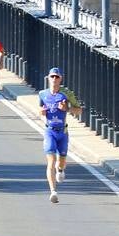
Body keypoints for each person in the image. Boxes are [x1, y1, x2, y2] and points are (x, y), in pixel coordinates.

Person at [39, 67, 71, 204]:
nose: (54, 79)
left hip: (62, 132)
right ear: (48, 78)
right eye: (52, 77)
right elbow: (40, 109)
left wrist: (66, 108)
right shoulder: (42, 94)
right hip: (49, 131)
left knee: (61, 160)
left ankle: (61, 169)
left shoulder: (66, 94)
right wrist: (42, 112)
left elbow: (79, 110)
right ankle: (53, 191)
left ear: (60, 79)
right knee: (51, 161)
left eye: (56, 77)